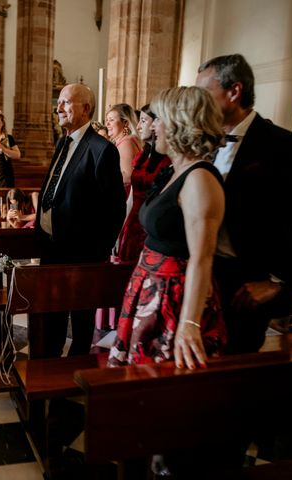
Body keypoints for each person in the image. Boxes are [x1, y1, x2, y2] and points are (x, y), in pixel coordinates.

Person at [195, 53, 292, 355]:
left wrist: (279, 282)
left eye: (205, 93)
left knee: (230, 378)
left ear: (234, 91)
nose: (198, 104)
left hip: (241, 284)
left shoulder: (283, 147)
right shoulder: (203, 141)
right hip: (198, 277)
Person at [108, 86, 226, 370]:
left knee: (160, 377)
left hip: (175, 296)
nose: (153, 126)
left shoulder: (200, 178)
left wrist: (189, 322)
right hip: (152, 286)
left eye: (158, 118)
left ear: (179, 122)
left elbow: (202, 257)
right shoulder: (174, 171)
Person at [35, 83, 126, 357]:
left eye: (66, 102)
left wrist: (97, 254)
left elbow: (115, 208)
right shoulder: (63, 142)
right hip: (52, 247)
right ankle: (50, 369)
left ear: (85, 108)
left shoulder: (102, 149)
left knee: (81, 323)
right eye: (59, 103)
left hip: (82, 254)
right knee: (52, 316)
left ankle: (73, 378)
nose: (59, 108)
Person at [115, 104, 171, 263]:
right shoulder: (142, 155)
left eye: (144, 121)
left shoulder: (166, 161)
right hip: (133, 220)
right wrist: (122, 227)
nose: (138, 126)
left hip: (148, 226)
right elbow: (132, 196)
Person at [105, 103, 140, 191]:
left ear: (125, 123)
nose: (107, 124)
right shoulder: (123, 141)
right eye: (107, 120)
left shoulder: (126, 142)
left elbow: (127, 177)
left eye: (111, 120)